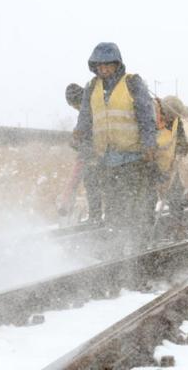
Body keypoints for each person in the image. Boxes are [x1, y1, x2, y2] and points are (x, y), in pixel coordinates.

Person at [72, 42, 159, 254]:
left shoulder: (132, 83)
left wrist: (149, 144)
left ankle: (139, 247)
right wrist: (79, 131)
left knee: (135, 205)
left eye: (107, 65)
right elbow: (86, 116)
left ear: (117, 64)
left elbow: (146, 117)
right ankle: (116, 248)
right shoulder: (92, 88)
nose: (103, 70)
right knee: (113, 205)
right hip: (107, 158)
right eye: (99, 66)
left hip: (134, 158)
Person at [65, 82, 104, 224]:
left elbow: (90, 134)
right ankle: (97, 216)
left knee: (93, 184)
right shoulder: (89, 107)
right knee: (94, 184)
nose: (74, 108)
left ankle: (96, 216)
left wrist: (81, 146)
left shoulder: (88, 111)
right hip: (94, 154)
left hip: (97, 155)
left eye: (73, 105)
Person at [154, 95, 188, 240]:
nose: (173, 119)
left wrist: (183, 146)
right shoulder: (152, 118)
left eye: (175, 116)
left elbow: (181, 138)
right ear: (164, 111)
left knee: (176, 193)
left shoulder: (176, 121)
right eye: (171, 116)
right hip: (150, 164)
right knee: (148, 199)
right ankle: (147, 231)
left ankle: (177, 226)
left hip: (168, 164)